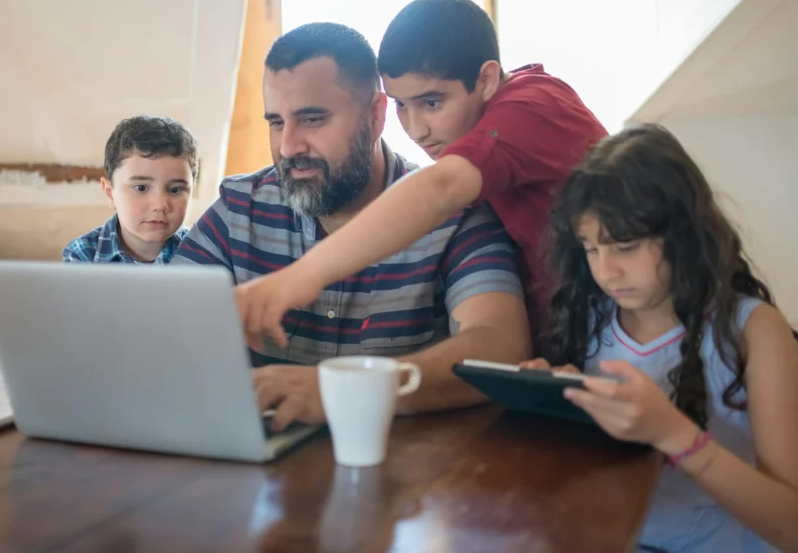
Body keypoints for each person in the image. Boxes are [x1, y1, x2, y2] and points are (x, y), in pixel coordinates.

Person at [173, 22, 530, 432]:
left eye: (312, 119)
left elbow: (501, 348)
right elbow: (160, 332)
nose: (289, 146)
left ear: (376, 115)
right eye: (276, 122)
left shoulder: (454, 214)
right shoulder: (240, 209)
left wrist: (349, 390)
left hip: (404, 480)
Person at [233, 0, 607, 351]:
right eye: (401, 105)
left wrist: (299, 278)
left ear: (488, 79)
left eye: (432, 102)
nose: (416, 129)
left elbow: (440, 187)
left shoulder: (531, 108)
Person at [524, 123, 798, 552]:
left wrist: (675, 434)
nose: (606, 271)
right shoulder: (590, 316)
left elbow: (796, 531)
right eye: (590, 248)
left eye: (624, 246)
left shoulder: (753, 331)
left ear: (682, 235)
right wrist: (561, 405)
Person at [63, 115, 197, 264]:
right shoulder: (83, 255)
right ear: (110, 193)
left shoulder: (203, 255)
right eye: (141, 188)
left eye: (175, 190)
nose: (160, 205)